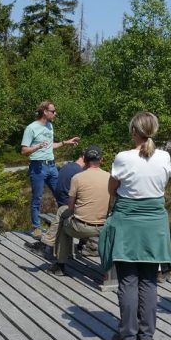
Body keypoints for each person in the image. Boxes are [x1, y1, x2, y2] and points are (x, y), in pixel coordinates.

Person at [99, 112, 171, 340]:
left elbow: (112, 189)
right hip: (154, 226)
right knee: (149, 282)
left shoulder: (123, 158)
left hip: (127, 224)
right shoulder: (164, 157)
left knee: (128, 281)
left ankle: (128, 339)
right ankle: (146, 339)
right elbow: (162, 184)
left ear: (134, 131)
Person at [20, 100, 80, 239]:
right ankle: (36, 228)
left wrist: (65, 142)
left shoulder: (50, 126)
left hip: (52, 166)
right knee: (37, 198)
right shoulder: (31, 128)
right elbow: (24, 150)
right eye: (53, 111)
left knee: (62, 194)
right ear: (45, 112)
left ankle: (65, 222)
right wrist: (37, 147)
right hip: (38, 166)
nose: (55, 113)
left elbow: (50, 145)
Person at [50, 145, 111, 276]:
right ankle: (108, 270)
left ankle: (60, 264)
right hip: (103, 227)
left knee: (63, 216)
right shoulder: (109, 177)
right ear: (101, 160)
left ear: (85, 159)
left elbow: (71, 207)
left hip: (80, 227)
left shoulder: (77, 178)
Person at [27, 147, 85, 254]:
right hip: (96, 217)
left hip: (84, 217)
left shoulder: (71, 169)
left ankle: (45, 245)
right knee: (40, 200)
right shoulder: (104, 176)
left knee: (63, 211)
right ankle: (37, 229)